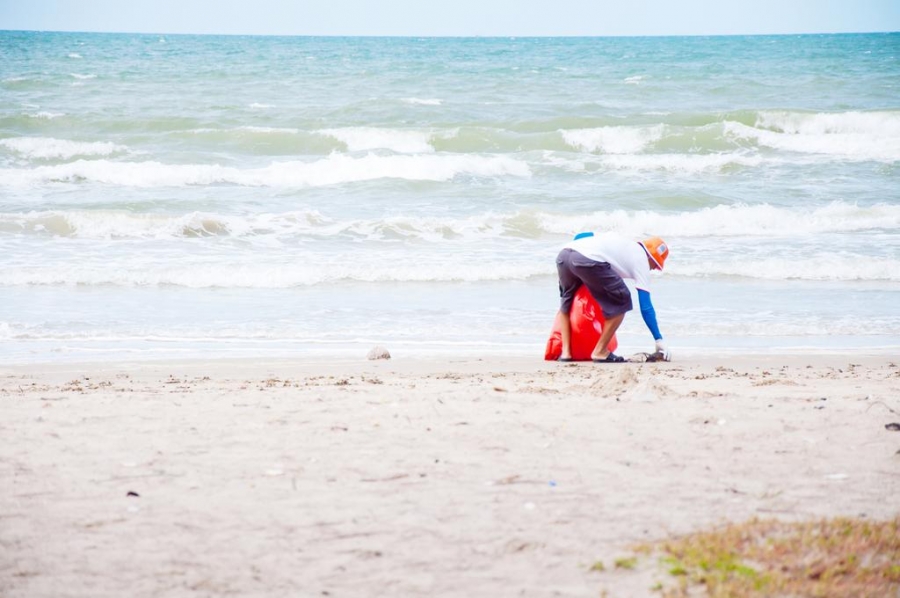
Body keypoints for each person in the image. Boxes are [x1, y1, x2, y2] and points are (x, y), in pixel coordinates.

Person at [555, 231, 670, 362]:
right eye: (656, 264)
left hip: (564, 255)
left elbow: (581, 237)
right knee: (622, 301)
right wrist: (658, 339)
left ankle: (566, 353)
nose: (655, 269)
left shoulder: (624, 245)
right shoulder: (642, 260)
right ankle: (600, 351)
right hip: (588, 260)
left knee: (566, 303)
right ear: (651, 257)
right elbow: (646, 307)